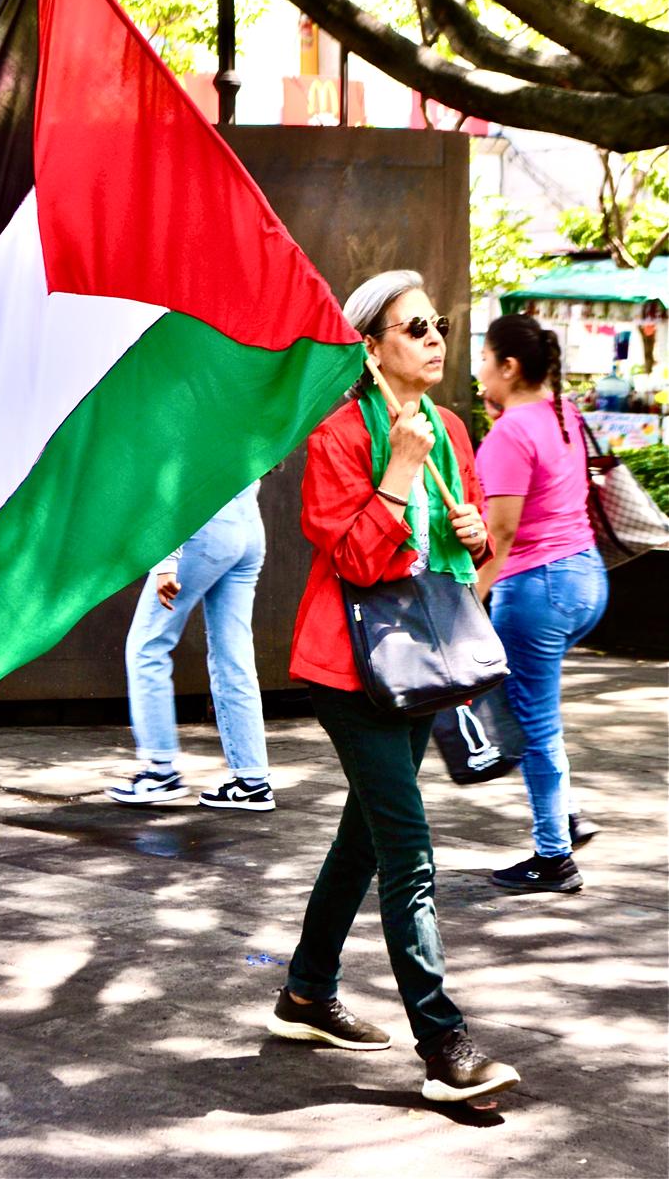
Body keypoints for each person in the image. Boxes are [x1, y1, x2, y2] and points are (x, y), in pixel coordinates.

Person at [267, 270, 520, 1104]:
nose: (435, 336)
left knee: (367, 838)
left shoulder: (448, 425)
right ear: (371, 348)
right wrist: (398, 472)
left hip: (424, 661)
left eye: (438, 323)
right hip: (352, 670)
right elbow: (353, 559)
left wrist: (474, 530)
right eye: (414, 327)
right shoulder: (340, 434)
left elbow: (473, 540)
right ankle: (443, 1044)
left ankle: (304, 992)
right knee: (407, 850)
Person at [476, 314, 608, 893]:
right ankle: (566, 813)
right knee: (524, 702)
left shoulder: (510, 433)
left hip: (538, 590)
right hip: (585, 581)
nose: (478, 368)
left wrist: (469, 598)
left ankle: (554, 856)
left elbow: (500, 535)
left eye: (484, 358)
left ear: (508, 367)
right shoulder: (563, 416)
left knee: (534, 721)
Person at [106, 483, 275, 811]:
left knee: (148, 645)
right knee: (233, 654)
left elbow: (178, 472)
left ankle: (160, 772)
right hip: (248, 524)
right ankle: (252, 782)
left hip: (204, 526)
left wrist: (166, 561)